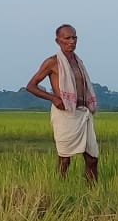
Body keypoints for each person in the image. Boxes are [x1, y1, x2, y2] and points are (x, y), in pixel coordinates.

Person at [25, 24, 99, 183]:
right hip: (65, 114)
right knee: (65, 159)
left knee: (92, 158)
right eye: (67, 38)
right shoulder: (52, 62)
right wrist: (54, 98)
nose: (72, 41)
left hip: (83, 112)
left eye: (74, 37)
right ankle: (59, 189)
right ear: (58, 41)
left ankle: (94, 193)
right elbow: (31, 86)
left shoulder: (78, 62)